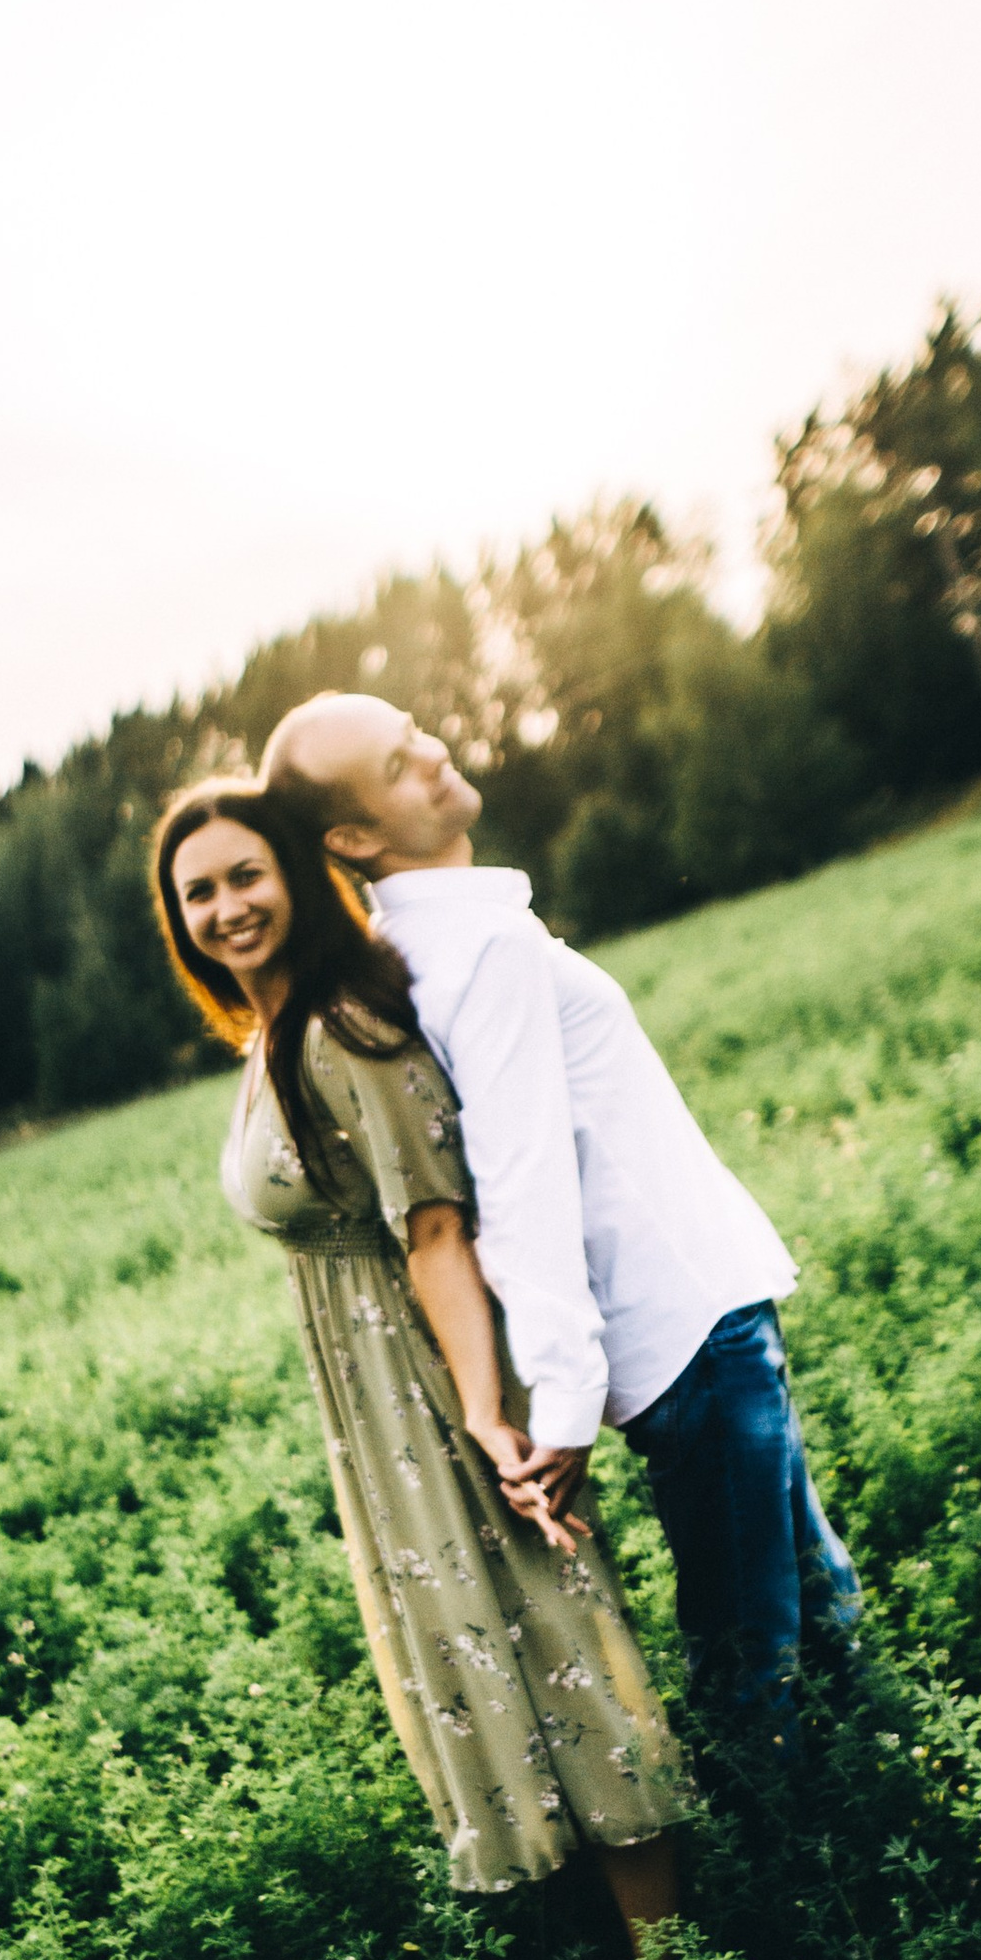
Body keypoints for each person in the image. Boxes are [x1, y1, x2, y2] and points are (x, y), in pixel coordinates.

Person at [150, 772, 696, 1960]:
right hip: (372, 1409)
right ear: (177, 922)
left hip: (429, 1388)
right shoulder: (269, 1033)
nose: (226, 907)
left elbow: (436, 1229)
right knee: (488, 1672)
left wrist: (486, 1416)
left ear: (296, 872)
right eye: (198, 893)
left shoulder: (344, 1026)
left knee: (560, 1665)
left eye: (245, 875)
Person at [256, 692, 860, 1771]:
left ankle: (881, 1805)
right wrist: (564, 1395)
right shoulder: (474, 946)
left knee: (814, 1604)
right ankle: (801, 1892)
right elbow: (517, 1175)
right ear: (352, 837)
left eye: (416, 733)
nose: (434, 754)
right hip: (684, 1331)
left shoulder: (435, 939)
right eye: (399, 764)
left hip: (693, 1315)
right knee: (757, 1657)